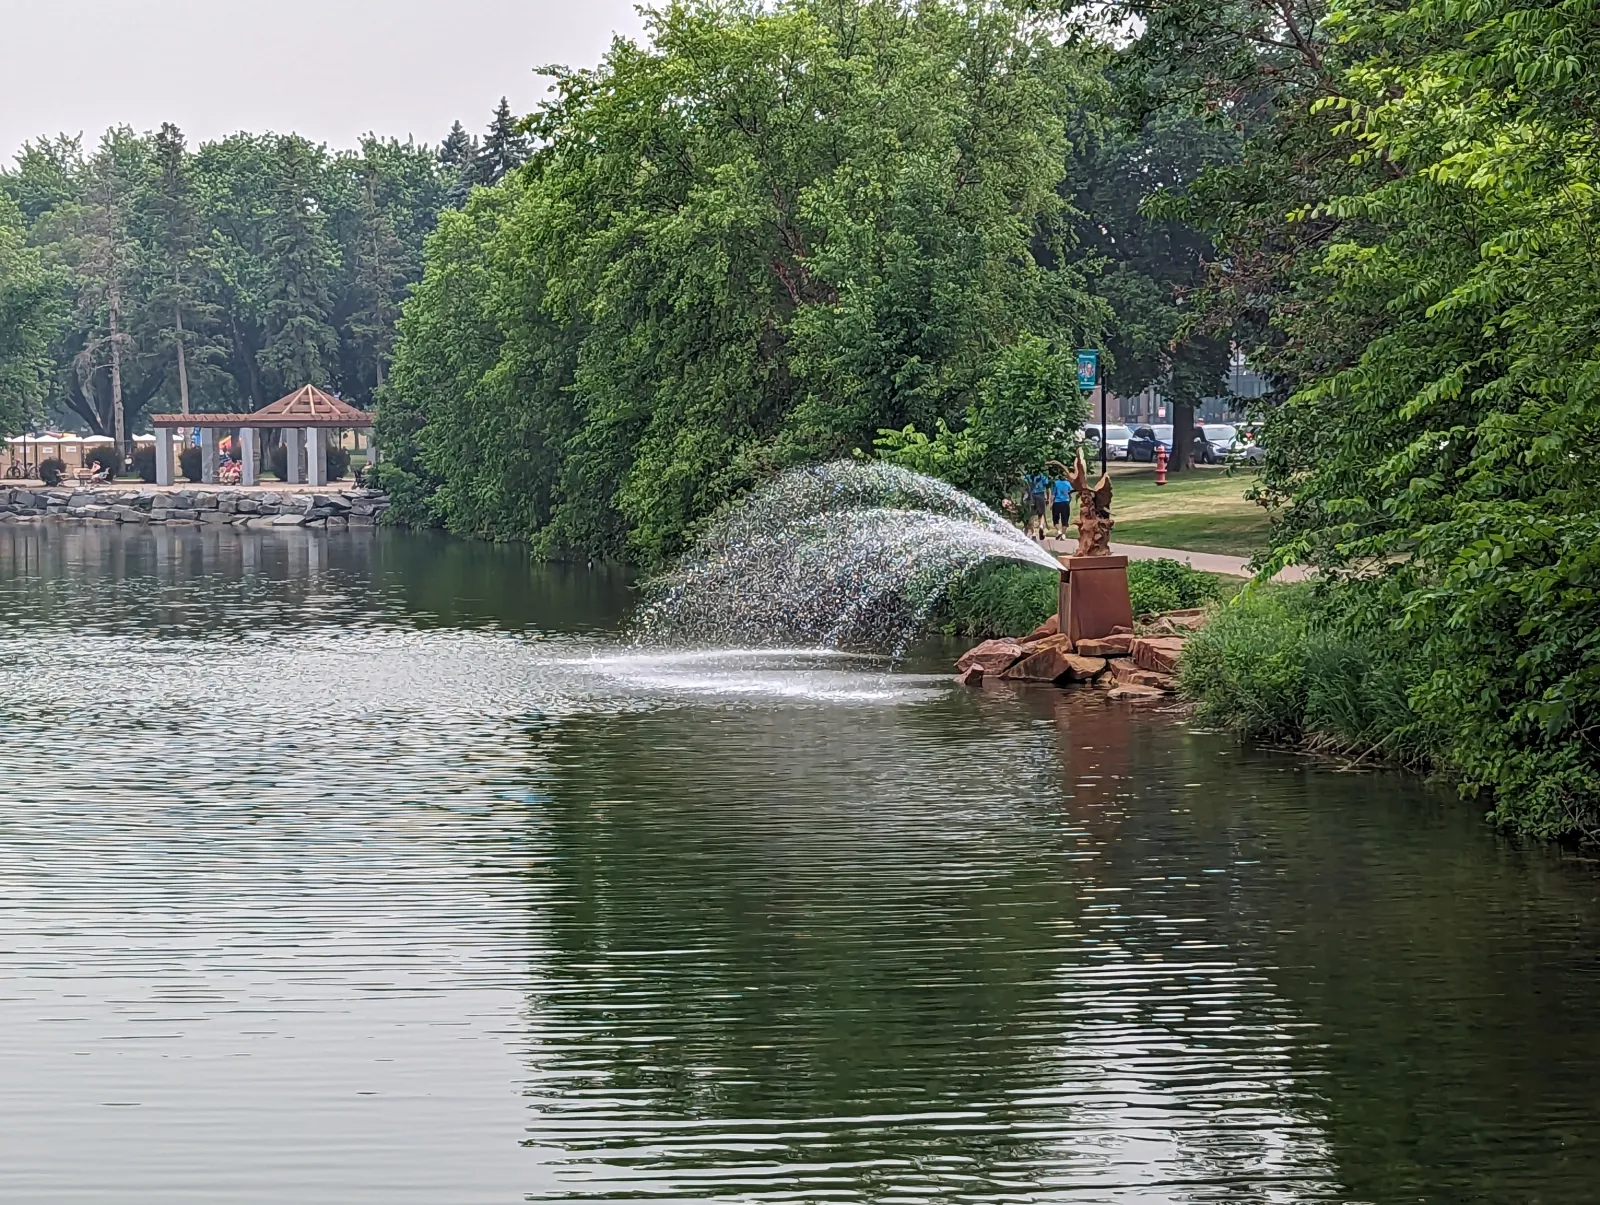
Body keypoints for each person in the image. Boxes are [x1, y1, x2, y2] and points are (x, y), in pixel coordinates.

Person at [1026, 470, 1050, 539]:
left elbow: (1024, 485)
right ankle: (1041, 526)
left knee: (1031, 515)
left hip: (1031, 495)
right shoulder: (1043, 477)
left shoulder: (1028, 476)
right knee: (1041, 513)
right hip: (1040, 495)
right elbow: (1047, 488)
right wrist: (1048, 498)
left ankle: (1033, 533)